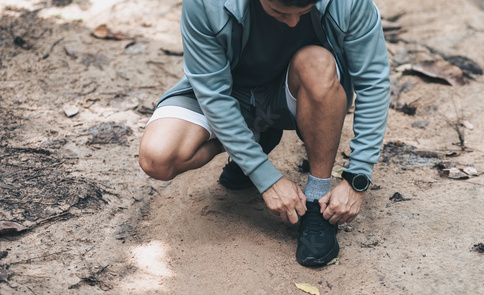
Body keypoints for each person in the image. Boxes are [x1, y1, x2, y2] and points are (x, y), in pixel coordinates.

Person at [139, 0, 390, 266]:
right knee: (157, 159)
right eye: (280, 12)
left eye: (303, 13)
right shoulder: (204, 3)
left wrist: (358, 176)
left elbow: (373, 83)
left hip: (295, 89)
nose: (293, 22)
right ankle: (257, 136)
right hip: (229, 91)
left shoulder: (351, 3)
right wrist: (265, 176)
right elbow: (213, 95)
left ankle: (317, 199)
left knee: (317, 61)